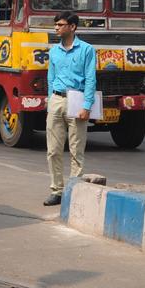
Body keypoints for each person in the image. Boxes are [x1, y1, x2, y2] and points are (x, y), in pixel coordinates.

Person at [43, 11, 96, 206]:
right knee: (53, 150)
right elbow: (51, 77)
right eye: (56, 25)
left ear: (72, 27)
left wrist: (87, 105)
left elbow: (91, 78)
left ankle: (75, 189)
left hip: (77, 99)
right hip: (56, 99)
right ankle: (56, 190)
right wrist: (50, 100)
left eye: (60, 24)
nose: (56, 28)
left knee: (76, 149)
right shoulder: (54, 51)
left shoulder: (87, 50)